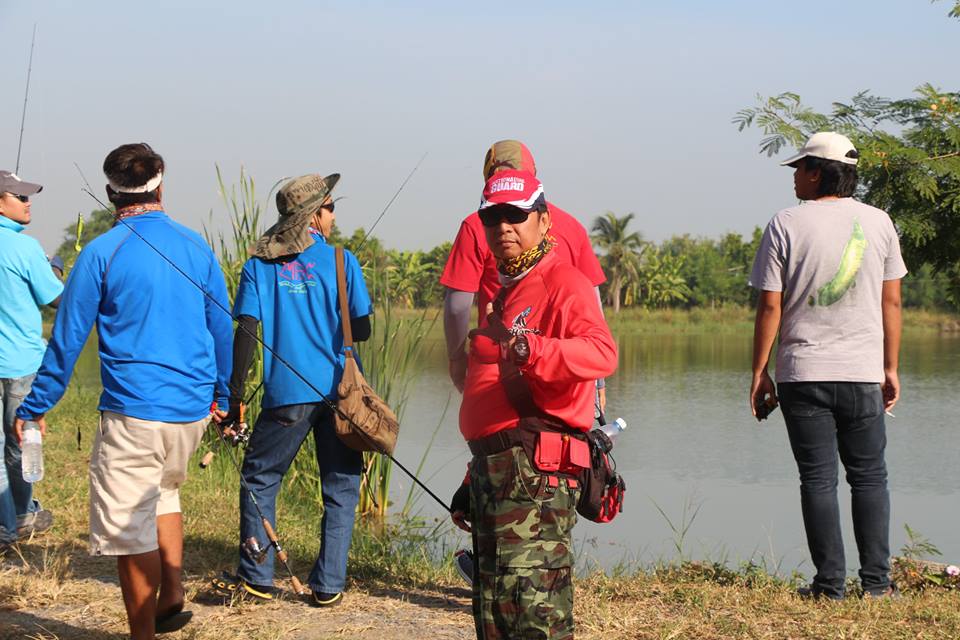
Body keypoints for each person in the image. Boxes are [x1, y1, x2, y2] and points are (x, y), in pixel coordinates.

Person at [15, 143, 233, 639]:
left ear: (112, 191)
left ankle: (141, 635)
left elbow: (66, 342)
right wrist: (223, 397)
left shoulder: (99, 252)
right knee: (164, 494)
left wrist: (34, 407)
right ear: (162, 182)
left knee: (128, 532)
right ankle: (171, 595)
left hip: (135, 414)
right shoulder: (197, 246)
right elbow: (223, 327)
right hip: (192, 413)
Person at [450, 169, 617, 639]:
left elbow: (602, 352)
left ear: (544, 222)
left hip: (535, 475)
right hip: (498, 468)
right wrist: (474, 475)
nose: (503, 227)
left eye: (516, 216)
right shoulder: (505, 291)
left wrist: (535, 349)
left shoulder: (563, 281)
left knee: (535, 613)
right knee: (495, 606)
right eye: (493, 217)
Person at [748, 132, 907, 600]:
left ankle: (829, 585)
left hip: (804, 372)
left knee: (817, 479)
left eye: (799, 168)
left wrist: (760, 372)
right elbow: (892, 302)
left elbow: (770, 308)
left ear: (817, 172)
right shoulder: (879, 222)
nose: (795, 177)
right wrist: (890, 368)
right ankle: (877, 586)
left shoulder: (786, 224)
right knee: (870, 476)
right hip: (862, 373)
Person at [214, 173, 372, 607]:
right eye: (331, 207)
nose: (335, 215)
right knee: (340, 486)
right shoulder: (343, 261)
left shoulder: (258, 266)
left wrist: (234, 397)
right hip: (339, 392)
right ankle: (329, 586)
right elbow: (362, 328)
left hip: (285, 394)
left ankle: (258, 577)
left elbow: (245, 332)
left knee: (259, 479)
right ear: (315, 216)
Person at [440, 140, 606, 401]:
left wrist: (456, 359)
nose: (505, 226)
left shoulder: (479, 223)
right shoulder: (571, 225)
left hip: (504, 372)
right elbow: (594, 309)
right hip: (569, 380)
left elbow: (457, 306)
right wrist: (597, 382)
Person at [0, 170, 63, 551]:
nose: (28, 202)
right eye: (19, 196)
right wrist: (53, 266)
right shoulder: (25, 249)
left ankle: (9, 523)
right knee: (22, 442)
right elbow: (56, 298)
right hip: (20, 365)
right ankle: (19, 518)